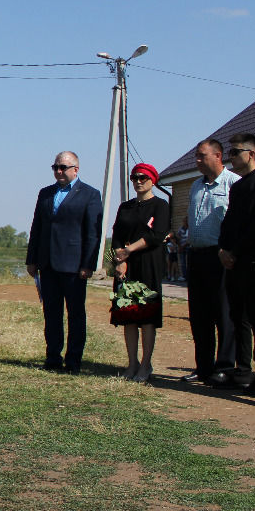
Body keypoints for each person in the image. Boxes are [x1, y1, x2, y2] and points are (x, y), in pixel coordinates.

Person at [26, 151, 104, 373]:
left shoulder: (89, 194)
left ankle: (73, 361)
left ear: (75, 170)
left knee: (75, 314)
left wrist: (88, 264)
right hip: (48, 263)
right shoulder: (46, 193)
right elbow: (36, 228)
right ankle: (52, 358)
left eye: (63, 167)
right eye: (55, 167)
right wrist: (32, 259)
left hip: (74, 266)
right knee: (52, 313)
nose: (58, 171)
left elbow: (92, 233)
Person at [215, 134, 255, 393]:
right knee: (237, 315)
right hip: (233, 261)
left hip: (254, 260)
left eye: (235, 152)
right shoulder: (238, 186)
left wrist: (236, 252)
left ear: (251, 154)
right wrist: (223, 250)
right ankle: (242, 371)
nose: (231, 157)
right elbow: (229, 222)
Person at [184, 139, 239, 383]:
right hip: (196, 255)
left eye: (201, 156)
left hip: (220, 256)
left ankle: (225, 367)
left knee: (223, 313)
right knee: (199, 315)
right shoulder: (196, 185)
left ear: (218, 156)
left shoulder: (233, 184)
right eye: (196, 156)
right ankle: (203, 367)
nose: (197, 160)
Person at [109, 163, 170, 382]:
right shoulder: (125, 207)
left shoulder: (160, 205)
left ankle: (146, 364)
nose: (138, 181)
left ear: (153, 180)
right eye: (135, 178)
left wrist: (128, 250)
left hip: (148, 264)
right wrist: (119, 258)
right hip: (126, 266)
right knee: (129, 316)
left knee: (146, 317)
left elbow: (157, 234)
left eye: (143, 177)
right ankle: (132, 362)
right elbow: (116, 234)